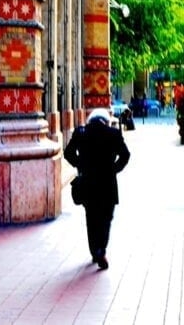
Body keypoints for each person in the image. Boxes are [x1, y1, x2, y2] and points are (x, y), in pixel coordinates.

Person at [64, 108, 131, 271]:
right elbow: (125, 155)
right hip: (108, 183)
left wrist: (80, 164)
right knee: (106, 218)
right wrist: (114, 169)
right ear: (105, 120)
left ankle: (95, 251)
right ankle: (102, 249)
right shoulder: (113, 133)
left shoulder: (81, 133)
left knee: (91, 218)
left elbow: (68, 153)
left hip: (88, 181)